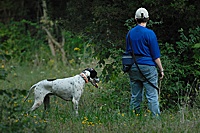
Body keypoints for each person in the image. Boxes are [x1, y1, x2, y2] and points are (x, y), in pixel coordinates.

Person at [126, 7, 164, 117]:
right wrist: (161, 69)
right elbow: (155, 55)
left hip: (133, 66)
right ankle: (155, 120)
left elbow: (128, 52)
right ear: (147, 19)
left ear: (135, 18)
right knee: (152, 95)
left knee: (135, 95)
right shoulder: (150, 34)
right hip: (148, 68)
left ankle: (134, 118)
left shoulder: (130, 33)